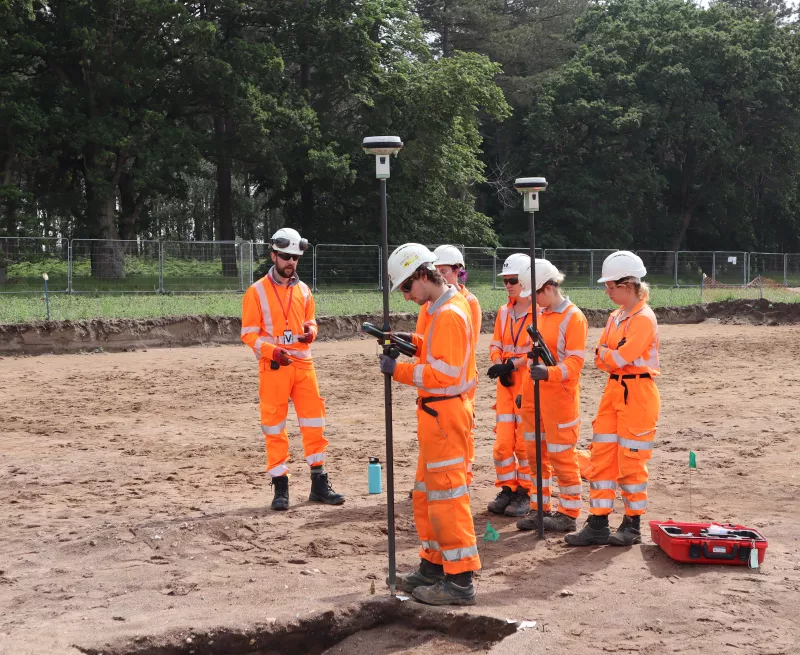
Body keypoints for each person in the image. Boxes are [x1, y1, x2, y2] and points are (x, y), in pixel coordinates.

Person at [379, 243, 479, 606]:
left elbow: (445, 373)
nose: (405, 296)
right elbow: (437, 351)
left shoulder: (450, 313)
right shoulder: (438, 311)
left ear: (423, 275)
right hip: (434, 415)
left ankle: (460, 579)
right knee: (427, 496)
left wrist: (400, 369)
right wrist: (411, 343)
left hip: (446, 414)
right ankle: (433, 565)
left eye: (406, 287)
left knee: (448, 497)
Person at [240, 228, 345, 511]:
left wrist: (311, 331)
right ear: (273, 255)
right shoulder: (256, 291)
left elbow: (310, 321)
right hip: (274, 365)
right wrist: (272, 350)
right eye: (286, 256)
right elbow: (248, 334)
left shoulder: (303, 290)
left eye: (295, 258)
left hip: (303, 363)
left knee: (314, 422)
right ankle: (280, 485)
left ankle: (318, 482)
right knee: (275, 426)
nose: (291, 262)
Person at [565, 251, 660, 547]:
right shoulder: (616, 317)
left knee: (631, 461)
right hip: (614, 391)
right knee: (601, 457)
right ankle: (598, 522)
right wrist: (609, 354)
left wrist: (608, 354)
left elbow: (617, 357)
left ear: (628, 285)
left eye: (610, 286)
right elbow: (602, 356)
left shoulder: (644, 318)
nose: (606, 291)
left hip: (638, 394)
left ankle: (632, 524)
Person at [515, 259, 588, 533]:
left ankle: (568, 513)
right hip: (535, 396)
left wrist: (549, 374)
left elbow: (575, 364)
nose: (530, 300)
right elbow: (530, 358)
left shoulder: (573, 317)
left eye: (533, 294)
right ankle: (539, 508)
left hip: (560, 398)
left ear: (547, 288)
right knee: (535, 455)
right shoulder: (540, 316)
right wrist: (525, 393)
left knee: (561, 456)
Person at [408, 245, 481, 484]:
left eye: (445, 269)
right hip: (435, 394)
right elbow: (430, 344)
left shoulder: (456, 307)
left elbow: (448, 365)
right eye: (437, 268)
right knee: (438, 470)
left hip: (450, 396)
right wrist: (411, 343)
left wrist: (399, 370)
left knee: (450, 471)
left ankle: (463, 477)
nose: (441, 273)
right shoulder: (432, 304)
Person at [486, 253, 534, 517]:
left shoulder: (538, 313)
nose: (508, 285)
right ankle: (508, 488)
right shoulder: (504, 312)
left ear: (526, 280)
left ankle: (526, 492)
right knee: (503, 444)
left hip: (525, 384)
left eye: (512, 280)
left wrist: (511, 365)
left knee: (523, 443)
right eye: (505, 280)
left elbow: (538, 352)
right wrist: (499, 361)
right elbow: (495, 343)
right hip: (505, 386)